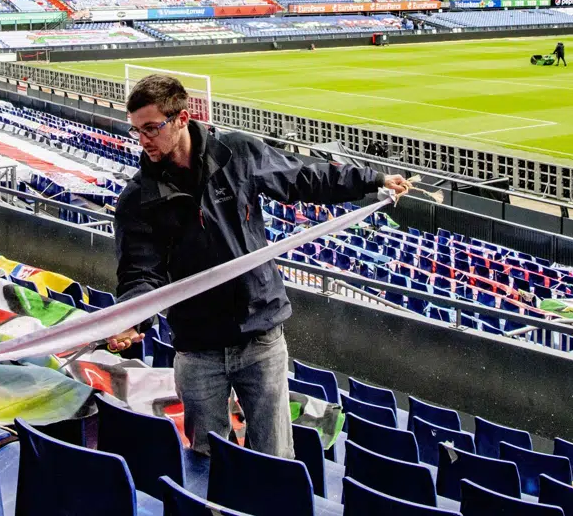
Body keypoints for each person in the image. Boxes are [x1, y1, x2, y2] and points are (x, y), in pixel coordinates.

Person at [107, 75, 410, 459]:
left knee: (274, 458)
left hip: (260, 336)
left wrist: (372, 181)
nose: (143, 140)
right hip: (197, 348)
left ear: (182, 118)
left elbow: (303, 176)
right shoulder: (138, 199)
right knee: (205, 459)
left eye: (152, 128)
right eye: (137, 130)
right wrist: (133, 318)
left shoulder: (238, 154)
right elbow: (140, 273)